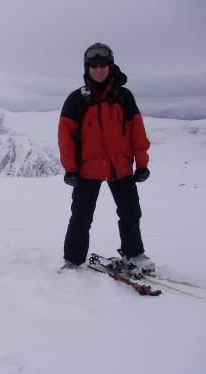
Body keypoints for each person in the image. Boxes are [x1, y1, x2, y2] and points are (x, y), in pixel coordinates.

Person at [57, 42, 155, 274]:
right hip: (86, 169)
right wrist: (70, 169)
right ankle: (72, 260)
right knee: (81, 215)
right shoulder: (76, 99)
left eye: (103, 65)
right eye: (94, 65)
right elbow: (65, 138)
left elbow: (137, 132)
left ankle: (134, 254)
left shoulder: (124, 97)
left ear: (110, 66)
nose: (98, 69)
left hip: (120, 166)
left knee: (130, 212)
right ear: (87, 68)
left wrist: (141, 164)